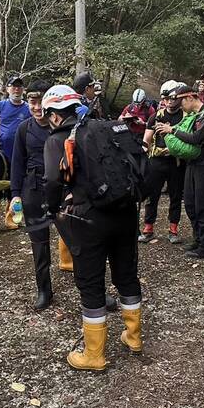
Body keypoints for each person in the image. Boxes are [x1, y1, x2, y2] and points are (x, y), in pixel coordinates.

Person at [42, 85, 142, 371]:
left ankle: (94, 355)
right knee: (126, 274)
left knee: (91, 283)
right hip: (124, 213)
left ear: (54, 115)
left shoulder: (56, 139)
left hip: (87, 220)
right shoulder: (105, 129)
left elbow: (51, 182)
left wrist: (52, 210)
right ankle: (133, 338)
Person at [155, 85, 204, 259]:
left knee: (203, 204)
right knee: (190, 203)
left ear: (190, 98)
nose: (180, 106)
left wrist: (172, 130)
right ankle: (198, 239)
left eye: (181, 102)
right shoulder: (193, 116)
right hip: (193, 163)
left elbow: (197, 138)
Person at [10, 80, 54, 310]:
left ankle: (92, 288)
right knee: (39, 243)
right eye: (32, 102)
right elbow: (17, 163)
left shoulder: (62, 126)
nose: (37, 108)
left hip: (61, 188)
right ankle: (44, 290)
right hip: (33, 188)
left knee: (77, 241)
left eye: (41, 102)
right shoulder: (24, 128)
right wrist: (16, 194)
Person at [139, 80, 186, 245]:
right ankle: (148, 228)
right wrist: (140, 155)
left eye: (173, 98)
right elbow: (147, 138)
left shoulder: (186, 117)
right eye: (166, 98)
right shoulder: (156, 116)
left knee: (175, 196)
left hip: (177, 162)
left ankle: (173, 230)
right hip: (157, 162)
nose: (169, 101)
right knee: (152, 196)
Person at [0, 74, 31, 232]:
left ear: (23, 90)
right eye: (13, 86)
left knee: (15, 186)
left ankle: (10, 217)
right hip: (0, 153)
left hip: (20, 154)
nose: (17, 89)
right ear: (7, 89)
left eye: (19, 86)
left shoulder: (28, 108)